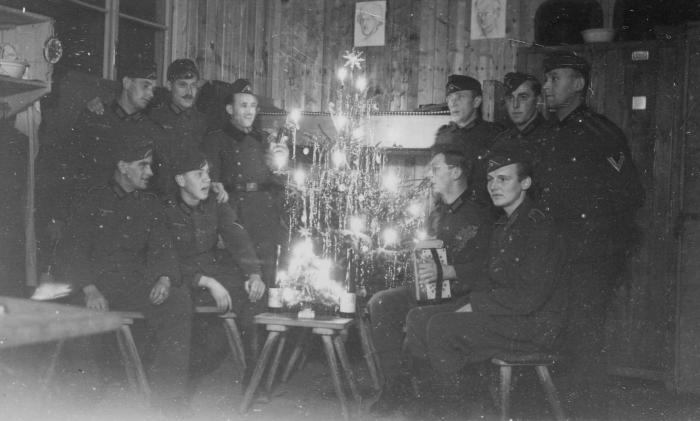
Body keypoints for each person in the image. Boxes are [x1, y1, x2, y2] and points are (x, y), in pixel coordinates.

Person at [394, 145, 566, 417]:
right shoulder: (503, 224)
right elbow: (488, 276)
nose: (494, 186)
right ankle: (433, 406)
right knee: (418, 317)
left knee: (441, 327)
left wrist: (475, 305)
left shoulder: (538, 226)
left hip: (533, 324)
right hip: (506, 314)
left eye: (504, 179)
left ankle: (455, 412)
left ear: (525, 183)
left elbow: (530, 297)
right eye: (490, 179)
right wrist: (470, 302)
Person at [54, 131, 192, 413]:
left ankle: (168, 399)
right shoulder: (92, 200)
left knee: (179, 301)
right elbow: (71, 250)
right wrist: (89, 289)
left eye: (150, 165)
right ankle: (80, 401)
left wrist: (165, 278)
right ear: (122, 166)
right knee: (80, 315)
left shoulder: (150, 204)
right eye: (143, 165)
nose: (150, 172)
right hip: (94, 285)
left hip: (132, 284)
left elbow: (163, 246)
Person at [538, 52, 645, 418]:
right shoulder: (550, 134)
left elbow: (630, 194)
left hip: (591, 258)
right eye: (546, 79)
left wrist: (595, 242)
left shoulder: (601, 134)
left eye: (555, 78)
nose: (547, 86)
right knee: (559, 339)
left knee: (584, 342)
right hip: (556, 257)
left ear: (579, 84)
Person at [368, 141, 494, 415]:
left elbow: (489, 267)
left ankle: (428, 399)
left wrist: (450, 272)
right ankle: (395, 387)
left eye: (435, 168)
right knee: (381, 303)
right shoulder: (437, 213)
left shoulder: (480, 214)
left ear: (456, 172)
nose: (429, 174)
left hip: (461, 295)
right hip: (430, 290)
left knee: (422, 319)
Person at [163, 148, 266, 381]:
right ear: (180, 180)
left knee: (255, 296)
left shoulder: (215, 203)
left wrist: (254, 275)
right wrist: (206, 281)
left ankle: (254, 380)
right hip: (182, 282)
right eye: (199, 174)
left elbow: (238, 238)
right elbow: (166, 260)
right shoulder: (165, 209)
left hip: (212, 277)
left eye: (208, 173)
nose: (207, 179)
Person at [40, 59, 164, 245]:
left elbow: (154, 182)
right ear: (127, 82)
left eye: (153, 88)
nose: (150, 93)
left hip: (128, 221)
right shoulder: (95, 116)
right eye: (145, 86)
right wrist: (57, 216)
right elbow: (68, 165)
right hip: (88, 216)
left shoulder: (150, 129)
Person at [202, 79, 289, 291]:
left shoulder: (265, 141)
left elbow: (278, 184)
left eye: (252, 106)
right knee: (240, 275)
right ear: (230, 109)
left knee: (268, 274)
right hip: (236, 214)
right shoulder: (216, 140)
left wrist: (281, 166)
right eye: (243, 105)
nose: (249, 111)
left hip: (264, 215)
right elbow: (212, 183)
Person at [434, 74, 504, 205]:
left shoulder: (494, 134)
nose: (453, 103)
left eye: (460, 97)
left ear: (476, 101)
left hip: (481, 210)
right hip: (448, 210)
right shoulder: (443, 136)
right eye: (449, 98)